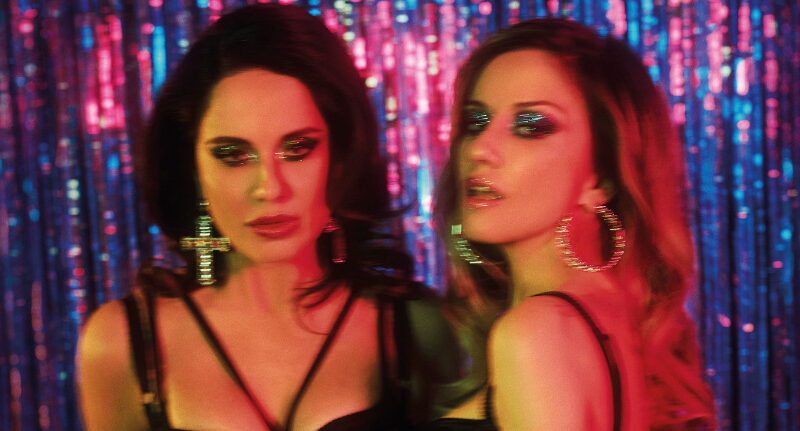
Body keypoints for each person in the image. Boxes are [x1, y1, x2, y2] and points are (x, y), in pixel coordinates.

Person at [76, 4, 457, 430]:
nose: (269, 188)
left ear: (339, 157)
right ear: (192, 167)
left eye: (297, 149)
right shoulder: (121, 343)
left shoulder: (414, 325)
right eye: (233, 155)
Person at [427, 18, 716, 430]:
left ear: (600, 178)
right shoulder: (609, 315)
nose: (481, 149)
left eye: (531, 126)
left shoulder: (536, 331)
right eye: (477, 121)